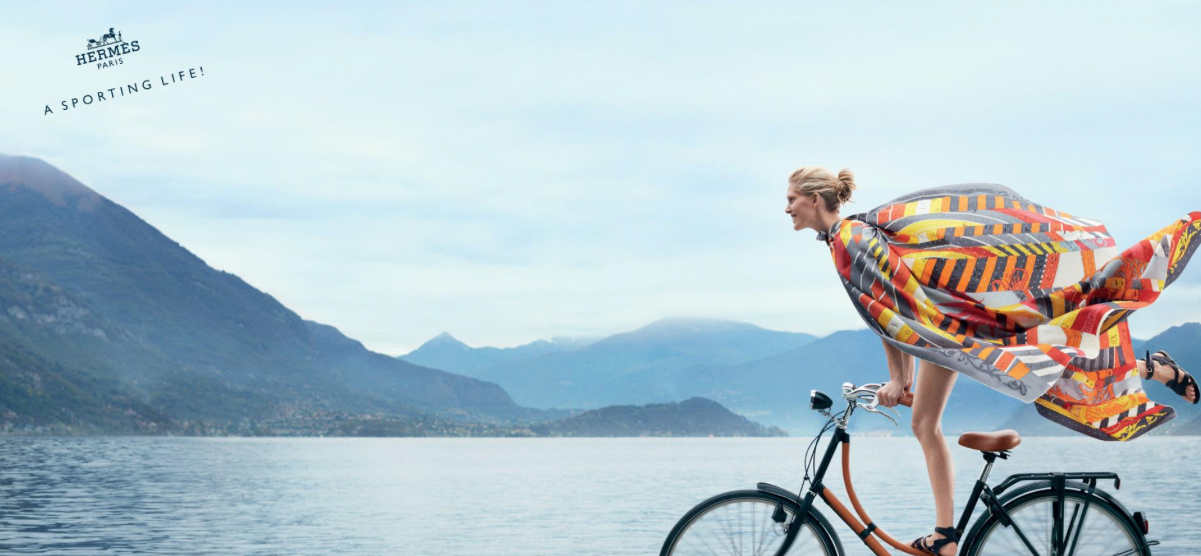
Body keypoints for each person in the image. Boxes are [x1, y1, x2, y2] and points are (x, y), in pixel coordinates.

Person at [785, 166, 1199, 556]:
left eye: (792, 199)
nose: (787, 208)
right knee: (1012, 373)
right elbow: (888, 310)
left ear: (815, 199)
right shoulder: (851, 234)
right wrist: (902, 377)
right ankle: (945, 535)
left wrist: (898, 378)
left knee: (1038, 360)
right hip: (937, 325)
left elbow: (889, 310)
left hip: (948, 325)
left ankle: (945, 536)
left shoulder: (849, 239)